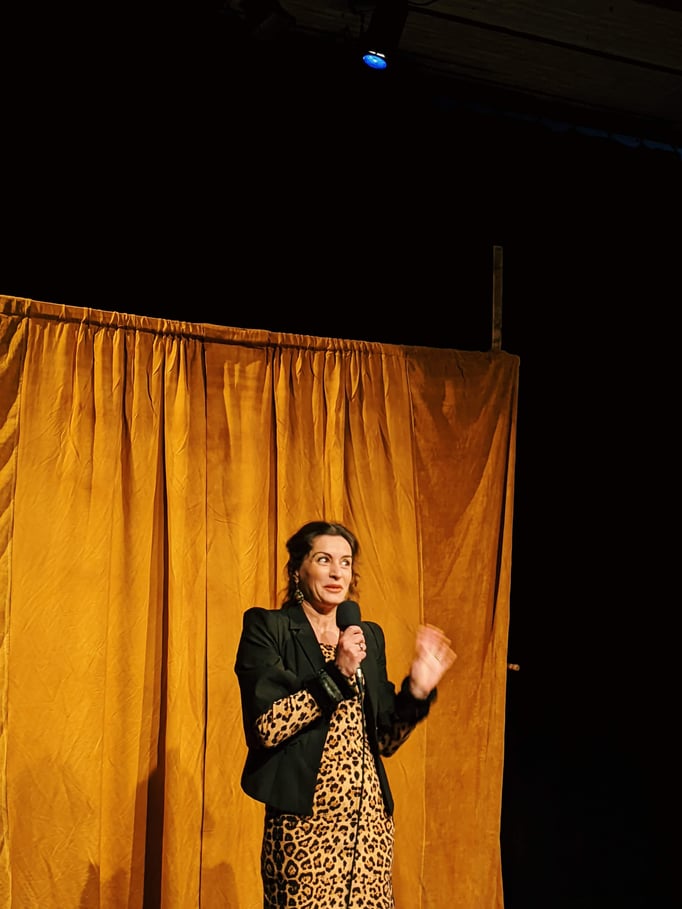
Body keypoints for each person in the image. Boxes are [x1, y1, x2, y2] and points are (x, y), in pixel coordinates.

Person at [234, 519, 457, 909]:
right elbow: (268, 726)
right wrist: (337, 672)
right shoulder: (269, 628)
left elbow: (384, 739)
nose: (337, 572)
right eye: (324, 560)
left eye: (346, 562)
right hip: (305, 828)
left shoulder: (366, 636)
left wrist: (417, 691)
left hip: (368, 829)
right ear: (297, 569)